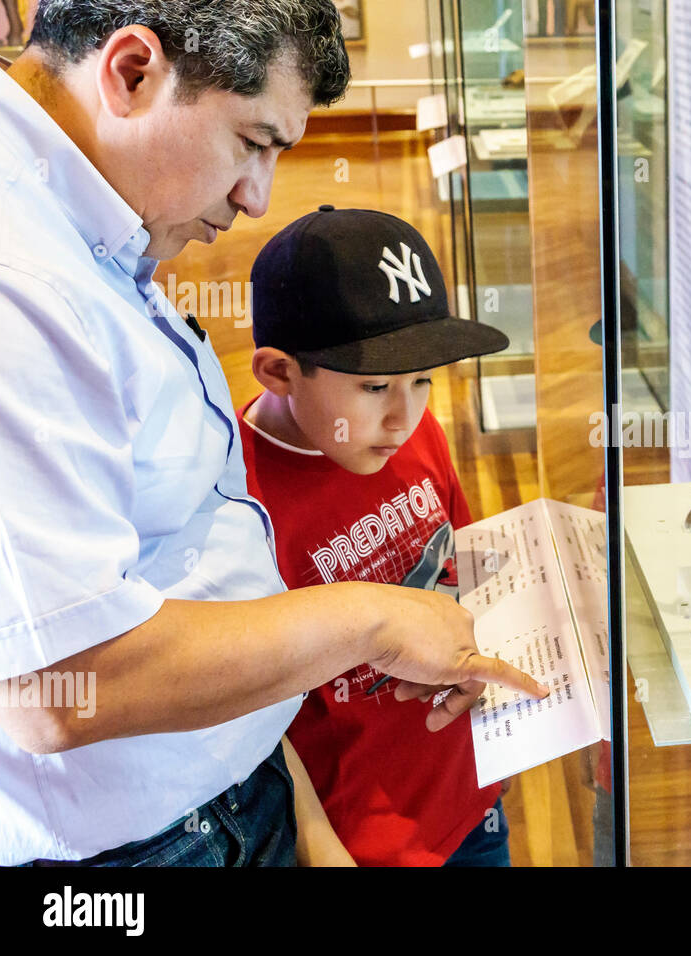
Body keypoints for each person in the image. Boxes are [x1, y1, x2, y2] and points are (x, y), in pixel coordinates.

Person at [0, 0, 544, 867]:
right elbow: (52, 688)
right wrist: (374, 621)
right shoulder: (15, 283)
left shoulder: (83, 228)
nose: (256, 198)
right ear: (132, 73)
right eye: (252, 143)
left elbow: (182, 557)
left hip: (236, 798)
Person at [237, 207, 514, 866]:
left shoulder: (415, 433)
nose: (404, 415)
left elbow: (464, 572)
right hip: (361, 841)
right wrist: (318, 846)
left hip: (473, 792)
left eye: (423, 379)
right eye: (375, 386)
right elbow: (249, 709)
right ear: (277, 371)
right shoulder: (237, 499)